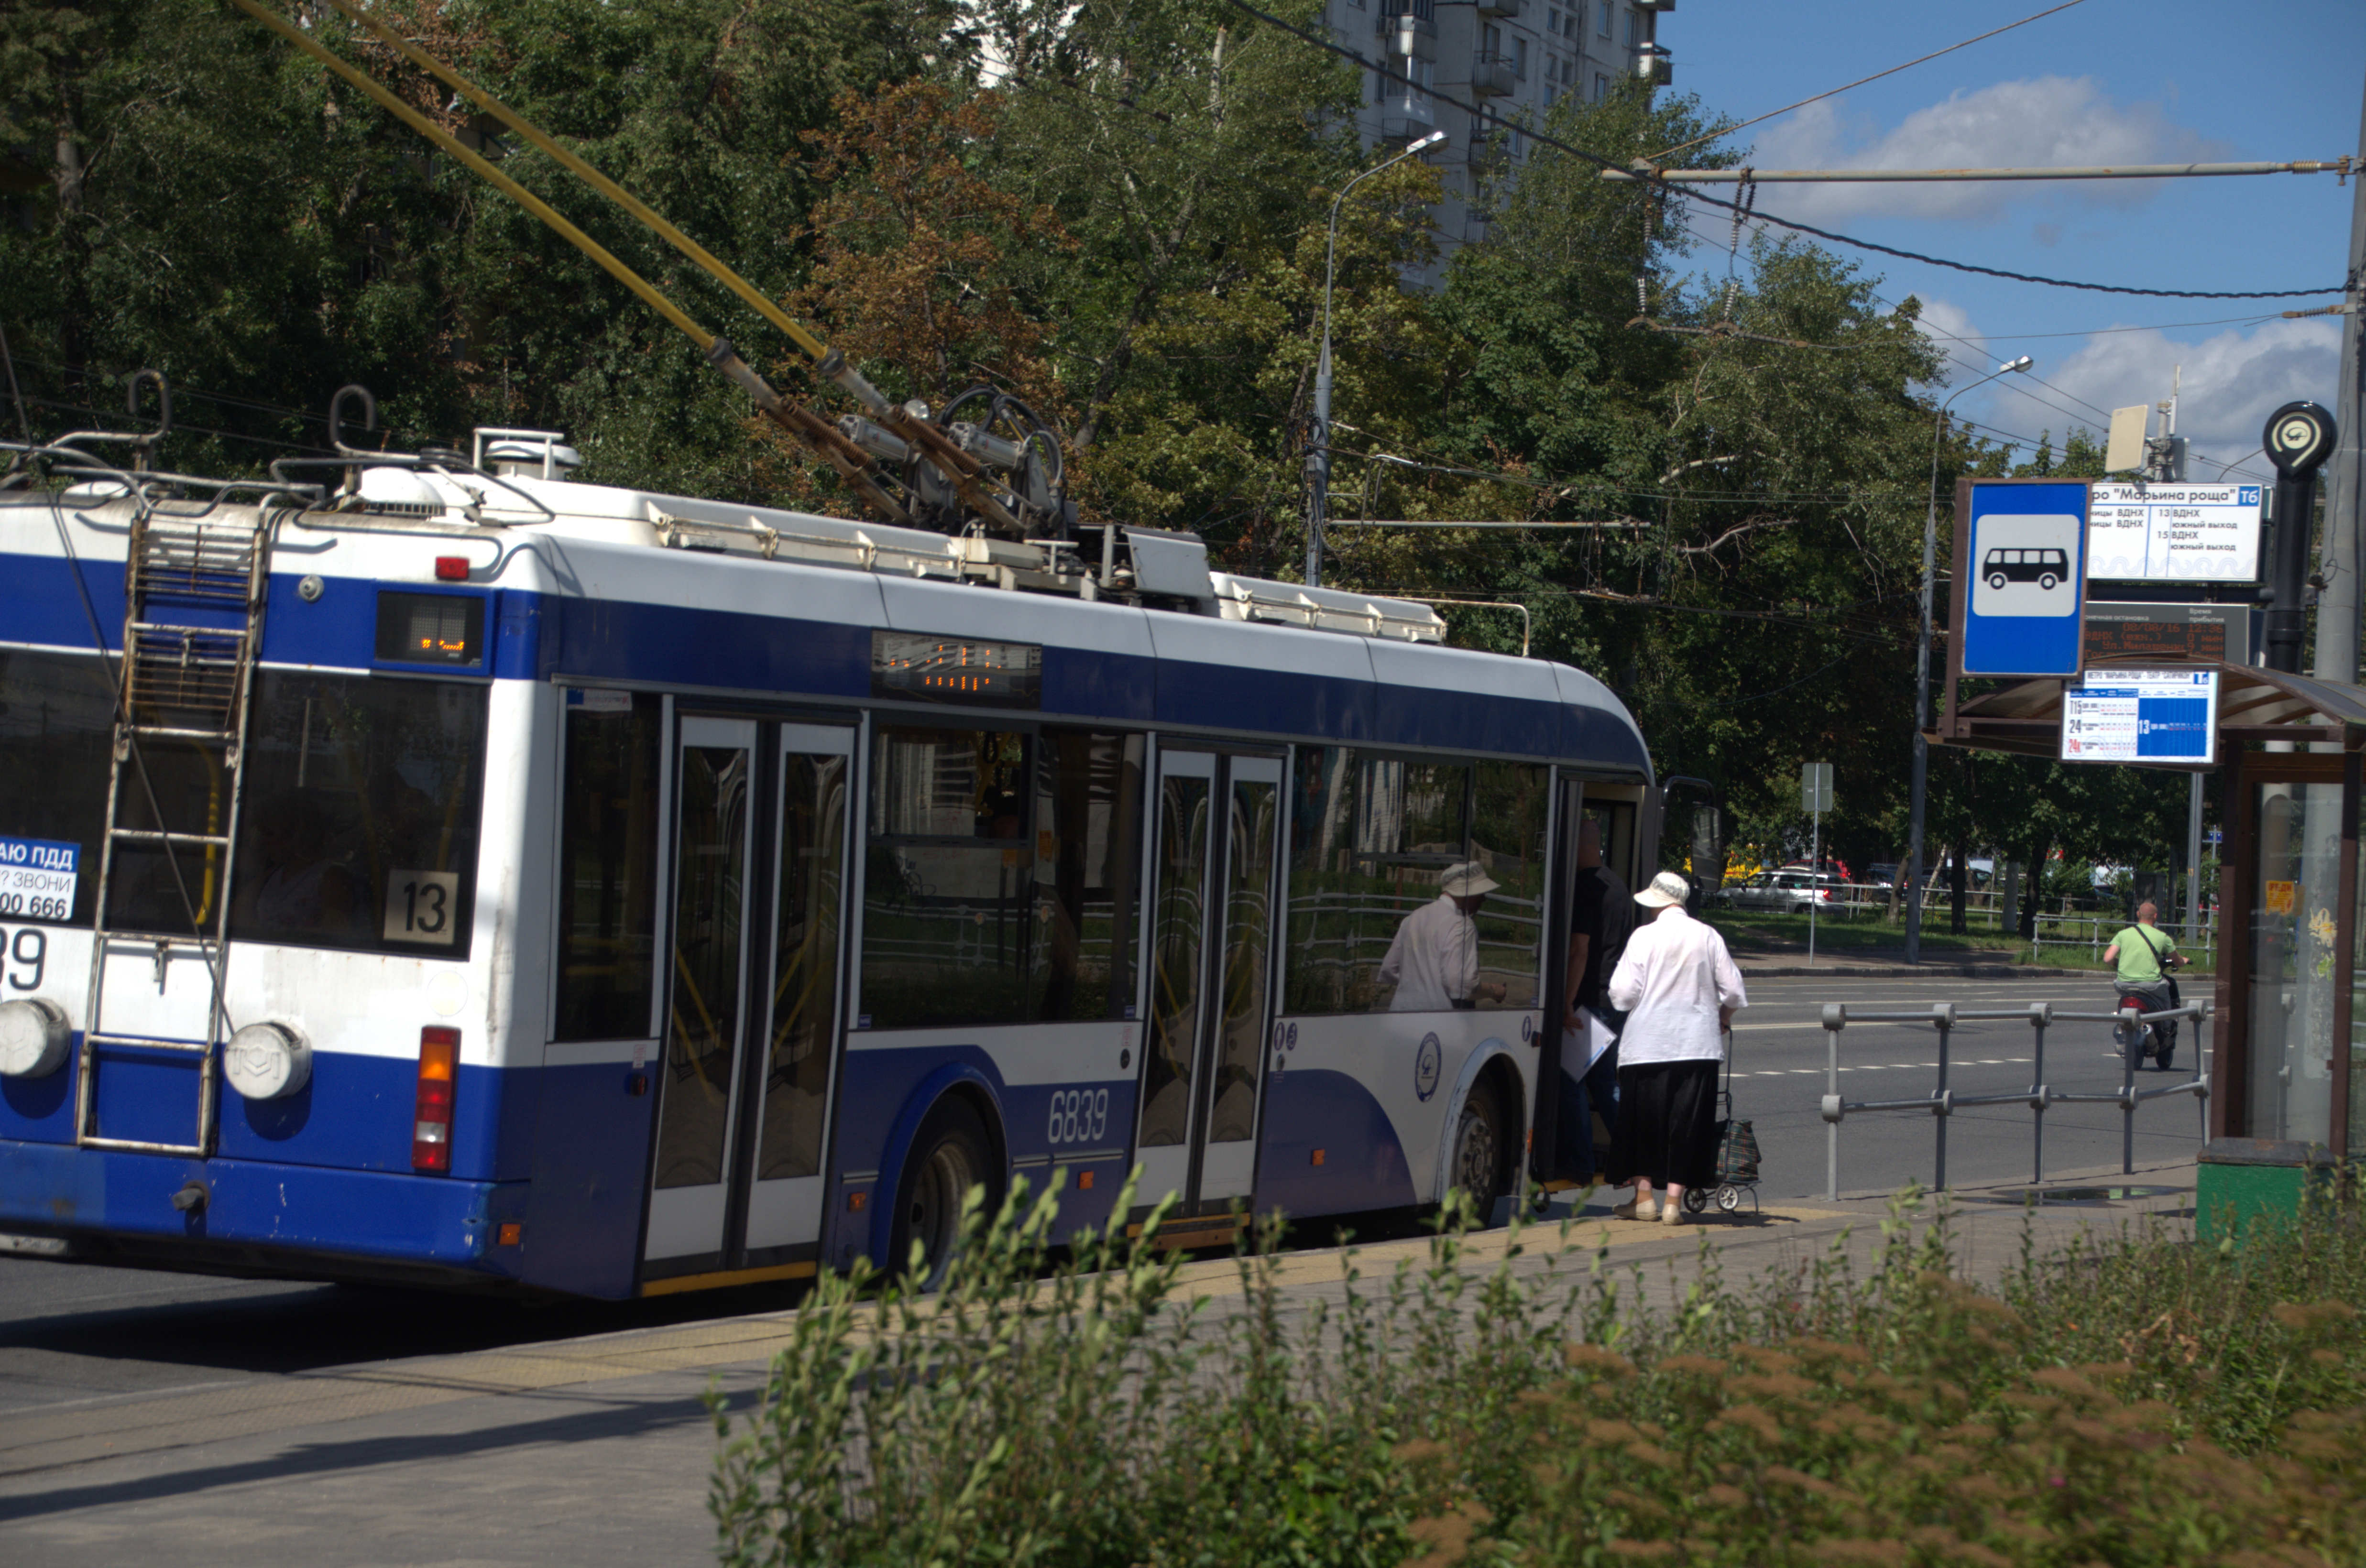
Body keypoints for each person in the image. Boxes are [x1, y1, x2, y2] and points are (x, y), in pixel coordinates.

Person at [1604, 869, 1747, 1224]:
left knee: (1643, 1124)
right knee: (1687, 1124)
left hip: (1647, 1046)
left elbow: (1622, 996)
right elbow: (1733, 991)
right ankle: (1672, 1204)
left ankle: (1643, 1199)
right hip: (1698, 1046)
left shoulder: (1643, 937)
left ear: (1657, 903)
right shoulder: (1708, 936)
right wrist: (1722, 1020)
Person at [1557, 819, 1633, 1183]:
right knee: (1605, 1081)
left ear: (1577, 847)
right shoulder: (1618, 886)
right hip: (1613, 999)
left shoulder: (1585, 888)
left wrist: (1567, 1002)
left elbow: (1579, 949)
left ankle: (1582, 1163)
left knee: (1568, 1080)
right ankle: (1634, 1156)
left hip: (1588, 1001)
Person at [1379, 861, 1510, 1012]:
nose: (1484, 900)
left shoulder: (1412, 918)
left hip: (1399, 1016)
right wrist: (1494, 990)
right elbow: (1462, 986)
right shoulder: (1461, 925)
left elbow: (1389, 968)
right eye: (1481, 893)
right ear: (1469, 892)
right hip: (1436, 1025)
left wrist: (1420, 984)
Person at [2103, 900, 2185, 1070]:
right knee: (2167, 1001)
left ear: (2138, 915)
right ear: (2156, 917)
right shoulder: (2163, 937)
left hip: (2124, 985)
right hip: (2151, 986)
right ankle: (2167, 1026)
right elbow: (2177, 960)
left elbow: (2108, 959)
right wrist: (2184, 961)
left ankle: (2123, 1022)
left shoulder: (2123, 934)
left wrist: (2121, 964)